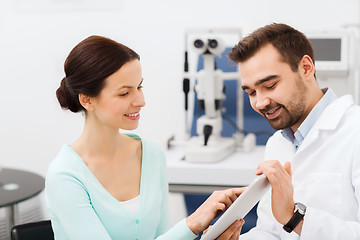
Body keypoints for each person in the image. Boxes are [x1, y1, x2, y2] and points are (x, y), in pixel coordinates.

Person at [45, 35, 245, 240]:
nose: (141, 101)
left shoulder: (151, 154)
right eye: (124, 93)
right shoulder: (65, 176)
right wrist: (192, 223)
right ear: (87, 100)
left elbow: (162, 235)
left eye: (139, 87)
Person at [228, 23, 360, 239]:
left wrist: (294, 217)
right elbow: (270, 232)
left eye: (270, 85)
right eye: (251, 92)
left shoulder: (355, 133)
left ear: (306, 68)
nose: (260, 102)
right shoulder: (277, 144)